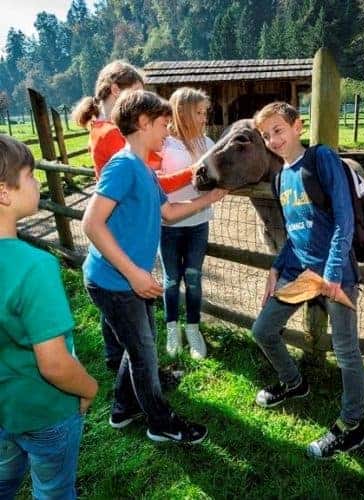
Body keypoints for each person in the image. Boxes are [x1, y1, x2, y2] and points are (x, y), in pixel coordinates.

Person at [82, 89, 226, 443]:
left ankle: (122, 409)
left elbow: (169, 212)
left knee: (139, 347)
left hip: (128, 282)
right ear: (144, 124)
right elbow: (91, 223)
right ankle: (161, 423)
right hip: (115, 282)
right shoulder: (123, 165)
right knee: (145, 355)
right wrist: (134, 273)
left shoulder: (144, 169)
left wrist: (209, 198)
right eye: (163, 124)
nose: (167, 130)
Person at [252, 102, 364, 459]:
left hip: (335, 274)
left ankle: (352, 425)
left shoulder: (322, 159)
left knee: (346, 351)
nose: (273, 140)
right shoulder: (279, 177)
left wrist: (331, 274)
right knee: (263, 330)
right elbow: (293, 234)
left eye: (278, 131)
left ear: (297, 126)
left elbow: (343, 219)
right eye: (266, 135)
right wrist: (276, 266)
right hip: (300, 272)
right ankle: (294, 382)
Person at [73, 60, 195, 372]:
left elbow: (154, 191)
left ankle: (123, 375)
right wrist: (193, 173)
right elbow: (151, 186)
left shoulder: (104, 133)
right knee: (137, 340)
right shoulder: (119, 145)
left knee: (126, 329)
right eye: (136, 93)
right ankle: (137, 390)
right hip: (121, 251)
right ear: (116, 91)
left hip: (119, 244)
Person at [0, 135, 98, 499]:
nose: (37, 182)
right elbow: (54, 365)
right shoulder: (35, 266)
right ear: (4, 193)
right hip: (46, 411)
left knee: (4, 477)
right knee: (54, 488)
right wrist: (88, 388)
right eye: (29, 174)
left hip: (4, 406)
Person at [158, 87, 214, 359]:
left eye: (205, 112)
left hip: (198, 224)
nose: (204, 118)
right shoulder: (163, 145)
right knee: (170, 279)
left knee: (193, 278)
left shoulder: (209, 144)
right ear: (183, 113)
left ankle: (193, 328)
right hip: (168, 227)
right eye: (199, 112)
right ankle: (172, 327)